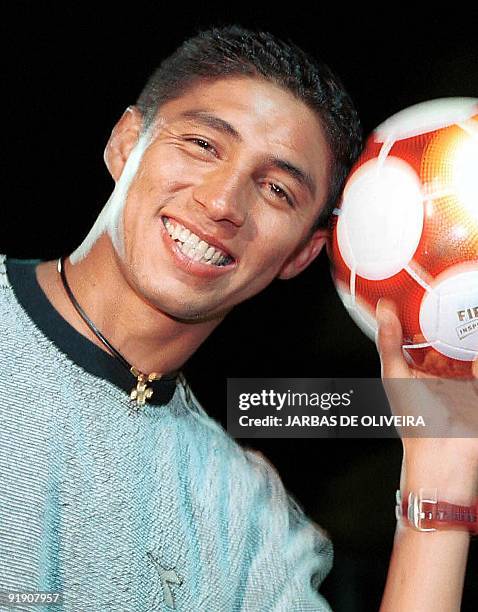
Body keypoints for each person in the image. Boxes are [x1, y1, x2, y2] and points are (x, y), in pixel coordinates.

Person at [0, 24, 476, 612]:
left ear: (302, 254)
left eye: (276, 189)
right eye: (203, 145)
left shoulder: (250, 524)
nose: (223, 203)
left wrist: (442, 467)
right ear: (126, 144)